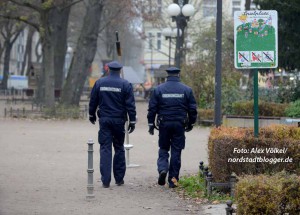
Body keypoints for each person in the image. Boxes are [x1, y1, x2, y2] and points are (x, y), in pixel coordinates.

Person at [147, 67, 198, 188]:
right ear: (178, 75)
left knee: (164, 148)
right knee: (176, 151)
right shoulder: (187, 90)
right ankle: (173, 180)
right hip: (179, 124)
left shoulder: (158, 89)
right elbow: (192, 109)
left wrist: (151, 124)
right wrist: (191, 123)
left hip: (164, 123)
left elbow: (152, 108)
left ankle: (163, 169)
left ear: (167, 76)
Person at [89, 61, 136, 188]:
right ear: (120, 70)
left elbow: (93, 100)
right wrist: (132, 121)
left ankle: (105, 180)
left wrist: (91, 114)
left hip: (104, 120)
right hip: (119, 121)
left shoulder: (100, 82)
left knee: (105, 148)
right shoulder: (125, 84)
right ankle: (119, 179)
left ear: (108, 69)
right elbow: (130, 105)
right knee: (119, 148)